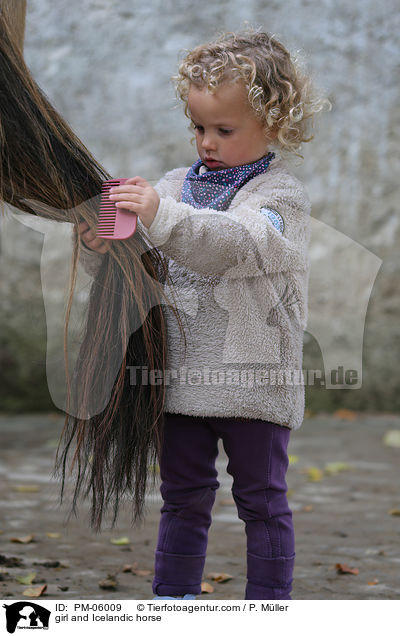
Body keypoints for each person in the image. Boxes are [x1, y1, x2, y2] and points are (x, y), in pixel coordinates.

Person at [77, 30, 329, 600]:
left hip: (252, 385)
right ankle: (173, 598)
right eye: (197, 127)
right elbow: (143, 273)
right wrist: (104, 248)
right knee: (183, 495)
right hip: (179, 382)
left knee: (261, 501)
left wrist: (161, 216)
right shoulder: (173, 187)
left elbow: (235, 246)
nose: (206, 142)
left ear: (275, 125)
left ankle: (267, 606)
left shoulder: (279, 198)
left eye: (224, 129)